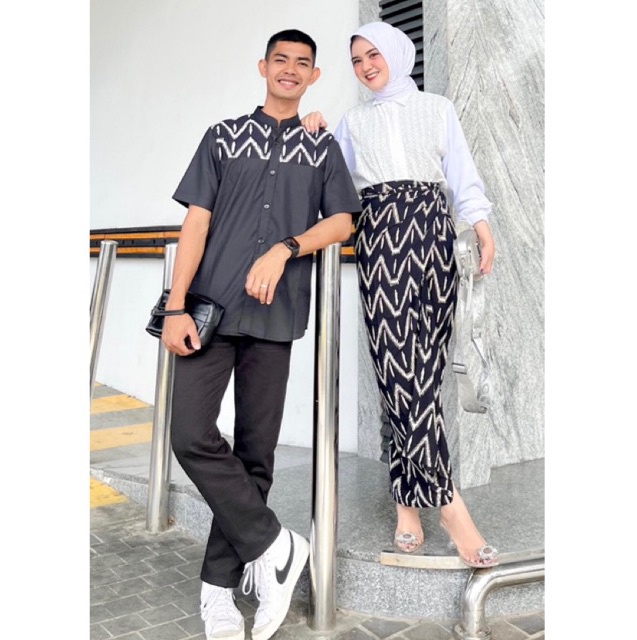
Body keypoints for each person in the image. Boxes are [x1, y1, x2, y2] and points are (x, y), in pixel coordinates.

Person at [163, 29, 361, 640]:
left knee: (256, 455)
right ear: (263, 67)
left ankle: (220, 593)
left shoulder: (321, 147)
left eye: (303, 63)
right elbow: (195, 224)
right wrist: (175, 306)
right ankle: (276, 546)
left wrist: (286, 247)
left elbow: (343, 221)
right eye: (281, 60)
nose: (291, 69)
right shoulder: (222, 136)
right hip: (210, 311)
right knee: (190, 434)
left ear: (314, 76)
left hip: (275, 318)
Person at [302, 21, 498, 567]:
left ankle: (406, 504)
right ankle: (450, 506)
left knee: (424, 376)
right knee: (398, 372)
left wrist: (481, 226)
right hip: (382, 235)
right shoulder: (352, 121)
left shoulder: (437, 109)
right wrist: (314, 133)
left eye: (373, 55)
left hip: (435, 235)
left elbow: (461, 173)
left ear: (395, 53)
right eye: (356, 60)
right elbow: (330, 184)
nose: (365, 66)